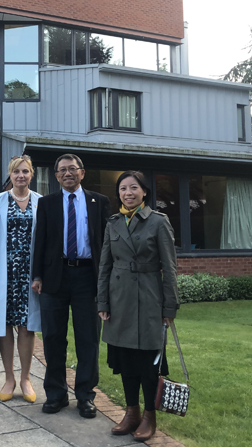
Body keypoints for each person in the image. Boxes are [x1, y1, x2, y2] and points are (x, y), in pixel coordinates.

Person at [97, 170, 179, 441]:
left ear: (144, 192)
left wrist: (169, 307)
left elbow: (169, 268)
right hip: (119, 300)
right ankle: (131, 413)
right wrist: (103, 301)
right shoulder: (113, 223)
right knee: (125, 361)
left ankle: (148, 416)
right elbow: (104, 266)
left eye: (133, 188)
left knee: (147, 364)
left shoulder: (158, 222)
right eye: (123, 189)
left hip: (148, 299)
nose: (128, 193)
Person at [31, 153, 110, 418]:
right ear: (56, 176)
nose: (67, 173)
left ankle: (86, 396)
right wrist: (37, 275)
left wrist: (106, 281)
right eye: (62, 170)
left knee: (88, 338)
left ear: (82, 172)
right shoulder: (47, 203)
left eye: (72, 169)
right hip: (55, 278)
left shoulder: (100, 202)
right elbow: (39, 241)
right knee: (53, 338)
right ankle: (56, 394)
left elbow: (106, 246)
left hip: (88, 278)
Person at [0, 155, 42, 403]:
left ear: (31, 174)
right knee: (3, 326)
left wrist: (41, 274)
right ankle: (9, 378)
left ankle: (25, 378)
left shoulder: (40, 201)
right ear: (10, 175)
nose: (21, 176)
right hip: (1, 273)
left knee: (27, 326)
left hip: (29, 275)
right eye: (16, 172)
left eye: (25, 171)